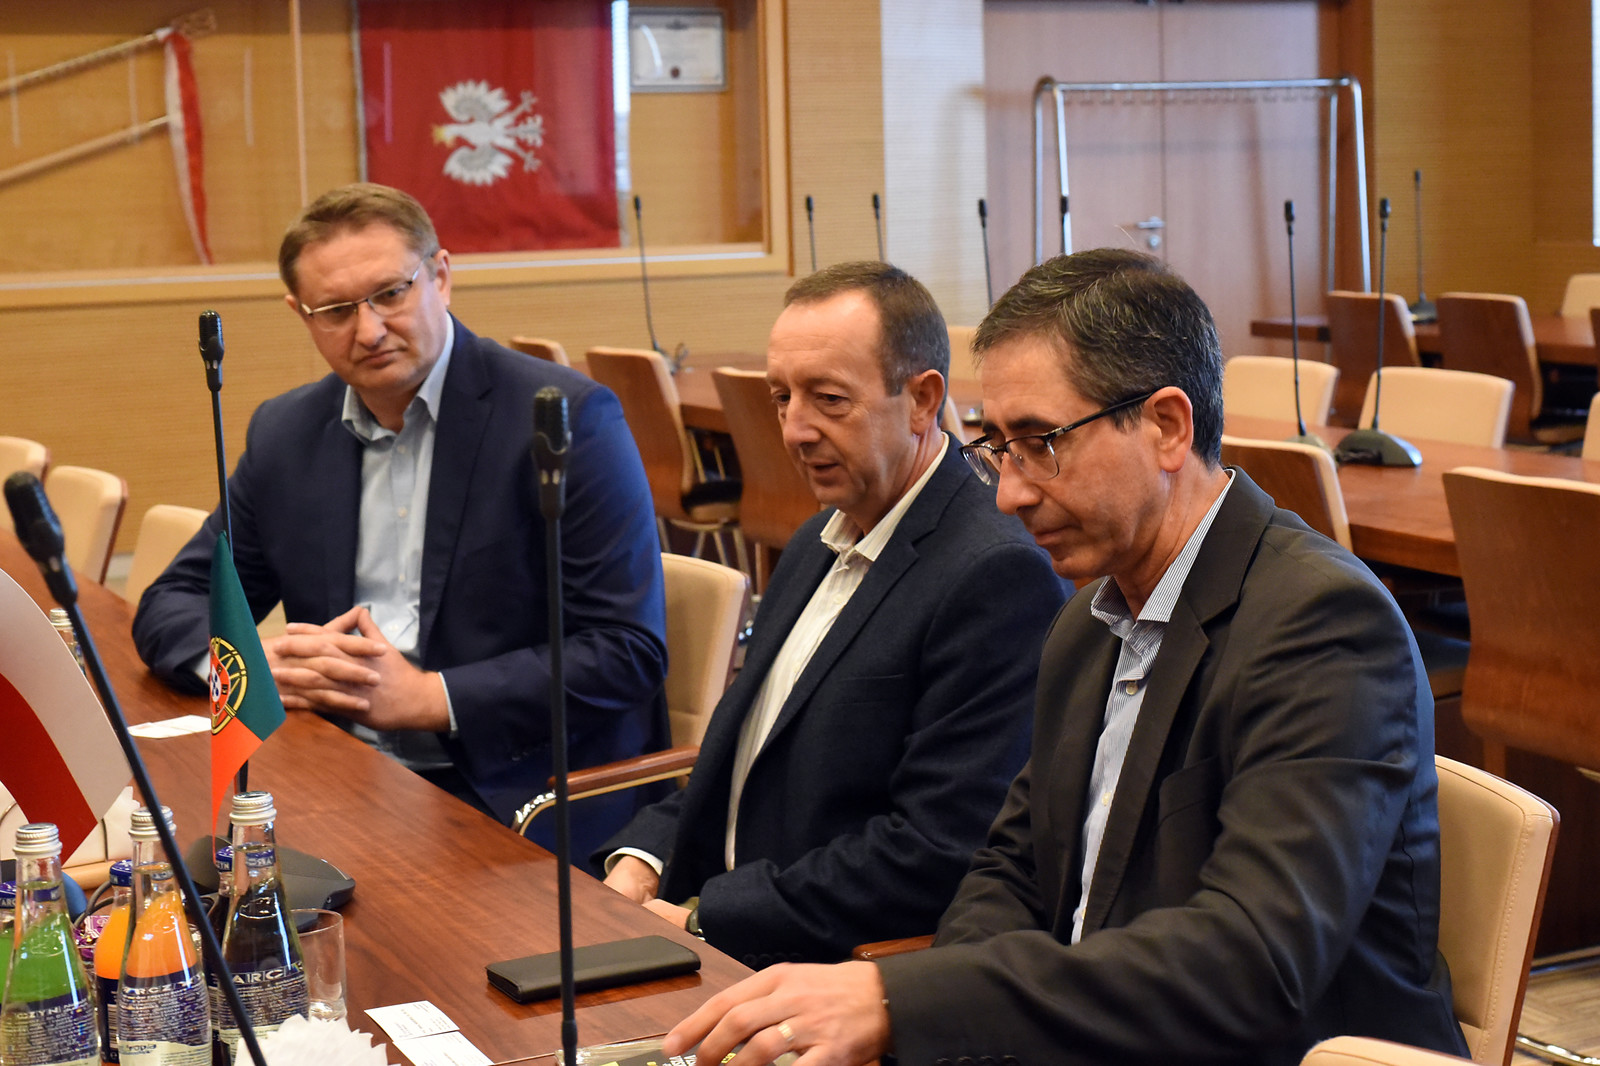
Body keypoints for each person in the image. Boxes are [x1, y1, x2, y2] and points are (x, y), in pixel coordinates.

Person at [663, 249, 1468, 1066]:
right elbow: (1012, 870)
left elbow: (1251, 964)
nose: (1009, 493)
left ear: (1166, 427)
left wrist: (901, 1002)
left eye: (1040, 443)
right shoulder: (1090, 618)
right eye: (998, 447)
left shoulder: (1322, 625)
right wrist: (941, 1033)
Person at [132, 183, 669, 859]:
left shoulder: (563, 418)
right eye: (336, 310)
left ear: (440, 276)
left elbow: (627, 649)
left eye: (390, 294)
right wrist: (248, 664)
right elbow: (172, 601)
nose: (369, 331)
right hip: (337, 771)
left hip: (515, 793)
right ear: (301, 314)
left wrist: (428, 697)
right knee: (177, 875)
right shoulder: (287, 433)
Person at [597, 262, 1065, 968]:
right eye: (782, 398)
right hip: (715, 927)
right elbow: (743, 757)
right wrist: (645, 858)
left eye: (828, 400)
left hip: (825, 971)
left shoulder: (995, 575)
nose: (794, 430)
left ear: (921, 400)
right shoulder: (816, 540)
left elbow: (935, 852)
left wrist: (703, 918)